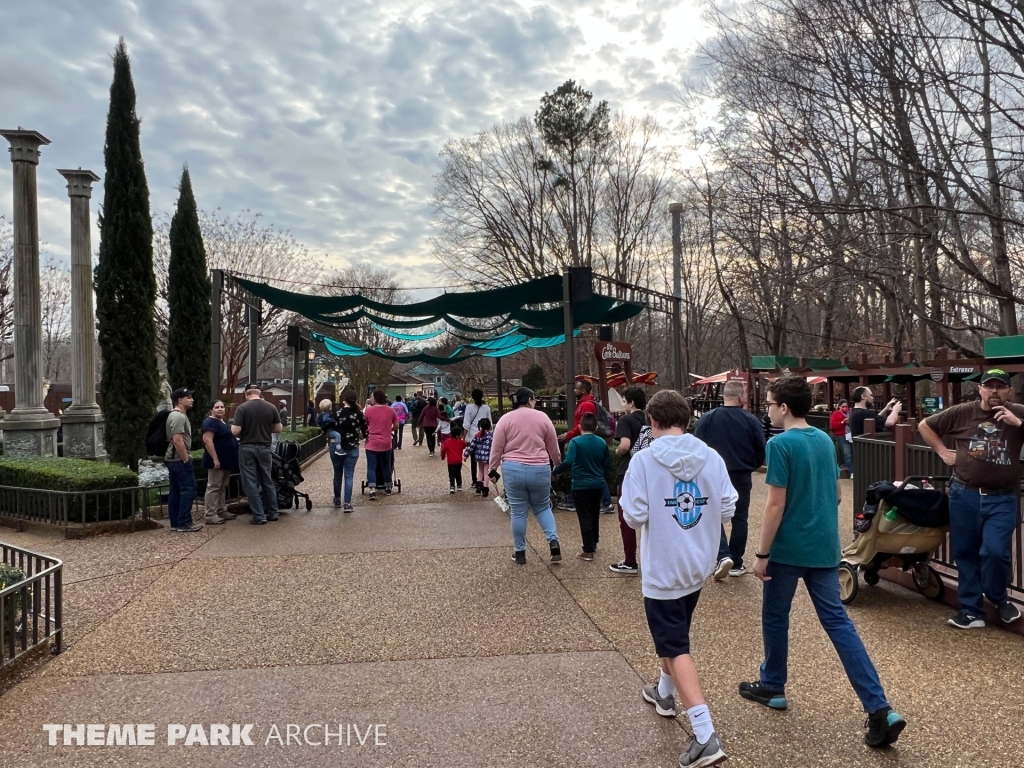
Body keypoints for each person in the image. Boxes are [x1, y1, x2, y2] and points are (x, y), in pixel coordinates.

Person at [740, 376, 906, 749]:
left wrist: (762, 554)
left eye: (770, 404)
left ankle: (772, 685)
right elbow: (835, 496)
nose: (768, 411)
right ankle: (879, 707)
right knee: (839, 624)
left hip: (788, 550)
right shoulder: (824, 440)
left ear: (784, 407)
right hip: (824, 549)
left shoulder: (779, 444)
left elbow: (775, 504)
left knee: (776, 616)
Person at [620, 389, 734, 768]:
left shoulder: (643, 461)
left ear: (652, 421)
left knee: (674, 645)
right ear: (686, 420)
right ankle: (664, 692)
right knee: (675, 633)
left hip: (663, 567)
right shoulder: (712, 457)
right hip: (698, 563)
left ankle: (704, 733)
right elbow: (727, 506)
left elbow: (633, 515)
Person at [917, 368, 1024, 628]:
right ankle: (971, 610)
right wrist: (943, 452)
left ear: (1009, 391)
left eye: (1000, 386)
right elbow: (925, 425)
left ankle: (999, 597)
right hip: (964, 493)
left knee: (994, 551)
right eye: (989, 386)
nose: (994, 391)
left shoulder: (1019, 412)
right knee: (965, 552)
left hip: (1002, 497)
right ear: (980, 389)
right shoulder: (962, 412)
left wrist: (1018, 424)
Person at [694, 381, 766, 580]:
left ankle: (723, 554)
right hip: (741, 473)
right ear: (741, 395)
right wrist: (752, 464)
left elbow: (697, 445)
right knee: (740, 517)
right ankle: (736, 560)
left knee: (713, 514)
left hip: (713, 473)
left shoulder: (708, 418)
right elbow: (760, 448)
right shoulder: (750, 420)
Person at [488, 387, 562, 565]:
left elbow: (496, 448)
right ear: (529, 400)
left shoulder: (505, 420)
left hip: (513, 468)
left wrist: (492, 469)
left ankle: (520, 552)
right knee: (543, 507)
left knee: (518, 511)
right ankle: (553, 542)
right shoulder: (543, 418)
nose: (535, 402)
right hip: (540, 468)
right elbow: (553, 447)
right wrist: (557, 465)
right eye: (534, 399)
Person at [553, 412, 611, 561]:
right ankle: (594, 541)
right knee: (594, 513)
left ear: (580, 427)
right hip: (598, 483)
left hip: (580, 484)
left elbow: (569, 461)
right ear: (596, 427)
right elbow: (607, 463)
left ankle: (588, 549)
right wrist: (601, 475)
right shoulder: (601, 442)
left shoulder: (576, 442)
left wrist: (556, 472)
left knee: (584, 516)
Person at [232, 383, 284, 525]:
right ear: (259, 394)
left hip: (247, 447)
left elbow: (235, 431)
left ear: (246, 394)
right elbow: (278, 429)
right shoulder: (271, 407)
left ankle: (259, 516)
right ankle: (273, 512)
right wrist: (266, 429)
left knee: (250, 482)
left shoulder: (242, 408)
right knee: (267, 480)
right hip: (265, 447)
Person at [558, 379, 612, 513]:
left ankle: (605, 502)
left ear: (583, 390)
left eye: (577, 388)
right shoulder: (584, 403)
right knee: (587, 471)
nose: (574, 390)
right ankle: (574, 500)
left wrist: (568, 435)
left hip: (583, 441)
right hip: (583, 440)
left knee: (584, 470)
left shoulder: (586, 405)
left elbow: (582, 425)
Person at [610, 386, 647, 574]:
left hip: (629, 472)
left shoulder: (626, 420)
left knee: (626, 515)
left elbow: (624, 445)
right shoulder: (650, 419)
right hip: (650, 471)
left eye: (624, 401)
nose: (623, 405)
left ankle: (630, 560)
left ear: (631, 403)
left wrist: (617, 452)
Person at [165, 388, 202, 532]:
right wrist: (185, 459)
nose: (192, 400)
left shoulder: (176, 415)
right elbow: (177, 440)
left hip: (173, 459)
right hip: (178, 459)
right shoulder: (178, 416)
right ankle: (184, 522)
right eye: (189, 397)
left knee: (176, 490)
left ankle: (176, 522)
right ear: (180, 400)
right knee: (188, 489)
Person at [201, 400, 238, 526]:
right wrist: (215, 459)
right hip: (216, 461)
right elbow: (207, 441)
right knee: (214, 487)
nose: (220, 409)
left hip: (226, 461)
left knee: (223, 486)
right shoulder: (209, 422)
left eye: (222, 407)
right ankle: (210, 515)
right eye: (217, 407)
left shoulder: (223, 422)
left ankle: (221, 510)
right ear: (211, 410)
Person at [331, 389, 367, 512]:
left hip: (337, 447)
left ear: (344, 400)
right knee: (349, 475)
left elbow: (328, 427)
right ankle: (347, 503)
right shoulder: (359, 414)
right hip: (352, 447)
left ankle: (337, 499)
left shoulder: (337, 413)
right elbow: (365, 431)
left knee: (337, 473)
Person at [364, 390, 399, 500]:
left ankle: (372, 489)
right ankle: (388, 486)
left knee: (371, 466)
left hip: (372, 442)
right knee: (386, 465)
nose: (371, 399)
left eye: (372, 397)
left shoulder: (368, 411)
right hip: (386, 441)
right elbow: (396, 425)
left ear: (376, 398)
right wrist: (389, 430)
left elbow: (365, 424)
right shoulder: (391, 410)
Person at [463, 389, 492, 481]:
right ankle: (483, 480)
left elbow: (466, 425)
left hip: (473, 436)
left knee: (473, 461)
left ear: (472, 397)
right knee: (484, 459)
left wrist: (463, 438)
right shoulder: (486, 408)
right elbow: (490, 423)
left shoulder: (469, 407)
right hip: (485, 437)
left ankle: (474, 480)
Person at [465, 417, 495, 497]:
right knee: (486, 472)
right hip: (487, 457)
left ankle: (478, 487)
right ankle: (485, 488)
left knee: (480, 471)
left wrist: (466, 454)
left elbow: (472, 445)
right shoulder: (491, 436)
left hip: (479, 456)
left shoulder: (478, 435)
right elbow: (494, 447)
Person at [441, 424, 467, 493]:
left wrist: (443, 457)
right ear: (457, 436)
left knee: (451, 474)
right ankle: (459, 485)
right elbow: (464, 446)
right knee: (458, 473)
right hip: (458, 461)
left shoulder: (447, 442)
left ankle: (452, 486)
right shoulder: (461, 442)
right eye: (461, 434)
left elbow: (443, 450)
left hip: (451, 462)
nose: (462, 436)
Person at [830, 400, 853, 475]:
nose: (845, 408)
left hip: (850, 435)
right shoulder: (835, 414)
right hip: (841, 435)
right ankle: (851, 471)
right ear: (839, 407)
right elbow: (833, 425)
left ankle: (854, 469)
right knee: (847, 454)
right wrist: (842, 423)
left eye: (846, 406)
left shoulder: (850, 413)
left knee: (853, 453)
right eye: (843, 406)